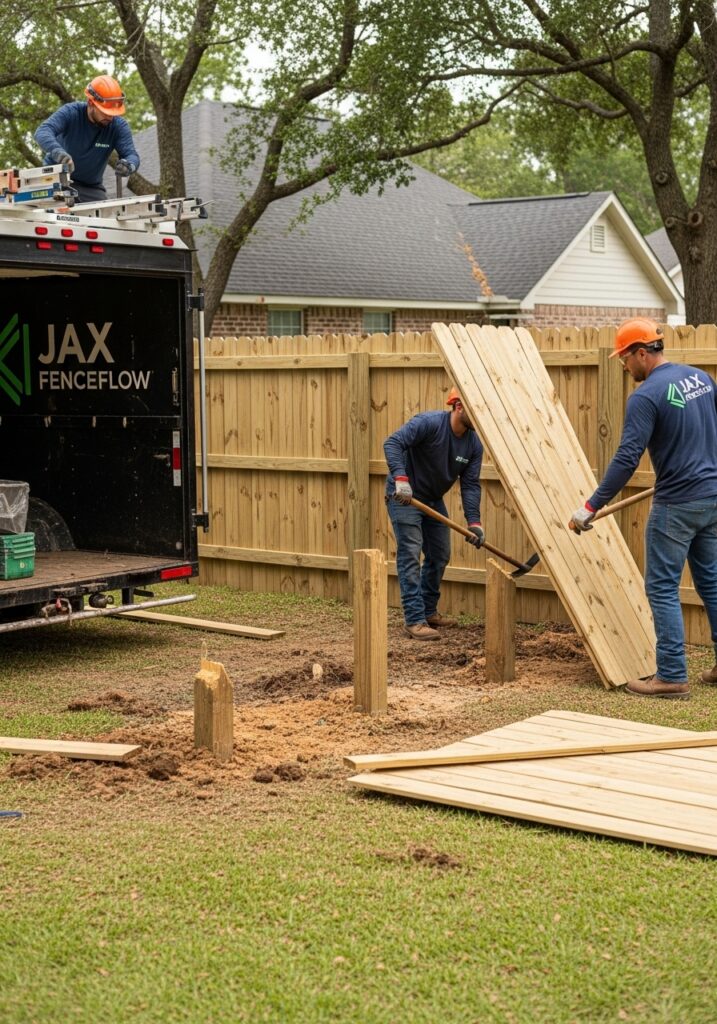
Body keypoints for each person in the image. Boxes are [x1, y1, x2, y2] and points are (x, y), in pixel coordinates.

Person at [570, 317, 717, 700]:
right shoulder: (701, 379)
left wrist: (591, 505)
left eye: (624, 357)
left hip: (676, 506)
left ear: (640, 353)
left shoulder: (646, 396)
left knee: (663, 588)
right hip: (712, 498)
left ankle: (670, 676)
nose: (623, 365)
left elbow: (626, 458)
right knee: (713, 583)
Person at [384, 386, 484, 640]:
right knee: (410, 550)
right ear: (459, 406)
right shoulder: (429, 423)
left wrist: (474, 522)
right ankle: (414, 620)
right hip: (404, 495)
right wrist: (401, 478)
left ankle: (428, 611)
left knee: (440, 554)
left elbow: (470, 485)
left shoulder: (474, 445)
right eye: (477, 409)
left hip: (432, 498)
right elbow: (393, 442)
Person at [34, 75, 140, 204]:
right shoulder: (71, 112)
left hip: (91, 188)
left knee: (103, 221)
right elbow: (43, 131)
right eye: (105, 112)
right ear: (91, 103)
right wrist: (58, 153)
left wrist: (129, 165)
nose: (110, 117)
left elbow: (131, 154)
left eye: (113, 113)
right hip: (55, 181)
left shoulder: (118, 126)